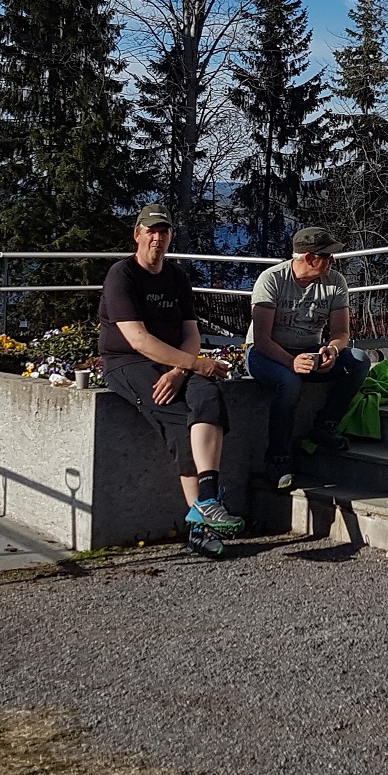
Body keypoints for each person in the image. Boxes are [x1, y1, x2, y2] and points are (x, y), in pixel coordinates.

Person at [97, 204, 242, 558]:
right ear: (137, 235)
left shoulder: (176, 277)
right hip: (127, 363)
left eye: (164, 232)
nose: (157, 238)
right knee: (178, 418)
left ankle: (206, 498)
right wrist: (193, 364)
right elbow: (138, 340)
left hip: (173, 363)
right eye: (151, 231)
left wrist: (182, 370)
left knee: (208, 392)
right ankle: (199, 529)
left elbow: (190, 332)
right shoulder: (123, 274)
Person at [245, 226, 369, 490]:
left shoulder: (335, 282)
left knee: (358, 361)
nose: (332, 262)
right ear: (308, 258)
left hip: (309, 351)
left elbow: (341, 332)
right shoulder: (272, 280)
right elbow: (262, 339)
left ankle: (325, 425)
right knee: (289, 382)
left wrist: (332, 350)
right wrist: (291, 362)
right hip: (265, 353)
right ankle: (277, 460)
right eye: (327, 256)